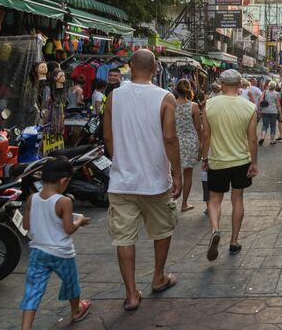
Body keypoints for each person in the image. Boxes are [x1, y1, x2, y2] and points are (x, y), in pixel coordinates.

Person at [102, 49, 182, 311]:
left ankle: (131, 294)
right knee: (162, 229)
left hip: (122, 181)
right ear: (156, 68)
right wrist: (178, 172)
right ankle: (158, 277)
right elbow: (170, 139)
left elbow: (108, 137)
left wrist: (121, 161)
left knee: (124, 238)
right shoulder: (165, 98)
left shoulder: (114, 96)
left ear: (129, 67)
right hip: (155, 180)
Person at [20, 158, 91, 329]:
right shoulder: (64, 201)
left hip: (38, 252)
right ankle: (76, 310)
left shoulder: (32, 198)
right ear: (64, 180)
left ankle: (25, 327)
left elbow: (26, 225)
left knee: (33, 290)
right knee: (71, 282)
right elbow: (68, 229)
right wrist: (80, 221)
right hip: (62, 253)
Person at [201, 69, 258, 261]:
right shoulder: (249, 107)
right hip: (241, 160)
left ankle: (215, 230)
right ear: (240, 85)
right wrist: (254, 162)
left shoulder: (209, 105)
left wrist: (204, 157)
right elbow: (252, 138)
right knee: (237, 199)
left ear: (222, 84)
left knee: (214, 199)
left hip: (218, 160)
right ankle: (234, 241)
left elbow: (206, 135)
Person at [174, 79, 204, 212]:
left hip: (173, 141)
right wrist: (201, 144)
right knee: (188, 174)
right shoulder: (194, 106)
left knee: (172, 173)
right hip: (190, 141)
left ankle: (171, 201)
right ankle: (184, 203)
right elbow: (198, 127)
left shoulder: (170, 104)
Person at [259, 81, 282, 145]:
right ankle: (272, 140)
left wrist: (260, 109)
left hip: (265, 111)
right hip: (273, 112)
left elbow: (260, 100)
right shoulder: (276, 94)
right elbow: (278, 104)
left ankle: (262, 137)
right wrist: (280, 114)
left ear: (269, 86)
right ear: (275, 87)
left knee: (264, 125)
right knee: (273, 126)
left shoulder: (265, 92)